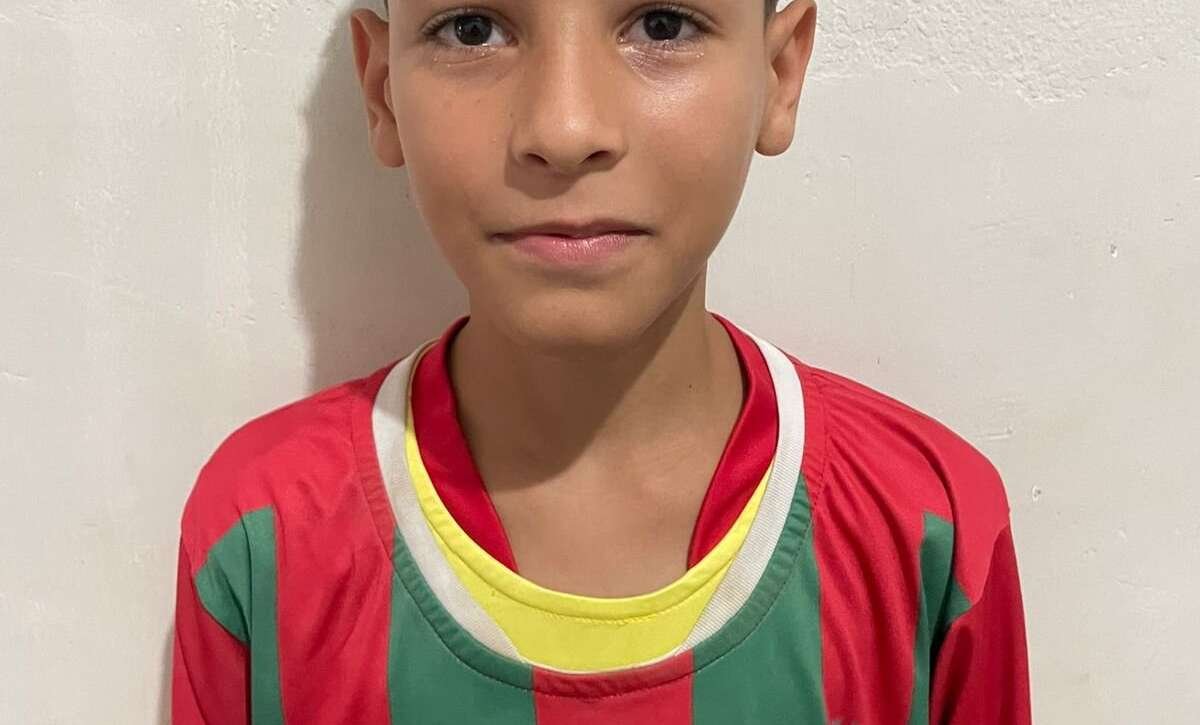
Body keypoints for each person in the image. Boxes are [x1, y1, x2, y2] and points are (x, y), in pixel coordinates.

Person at [171, 1, 1031, 722]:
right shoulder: (264, 539)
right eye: (472, 30)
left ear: (778, 74)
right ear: (383, 89)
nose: (565, 128)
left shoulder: (929, 532)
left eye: (662, 24)